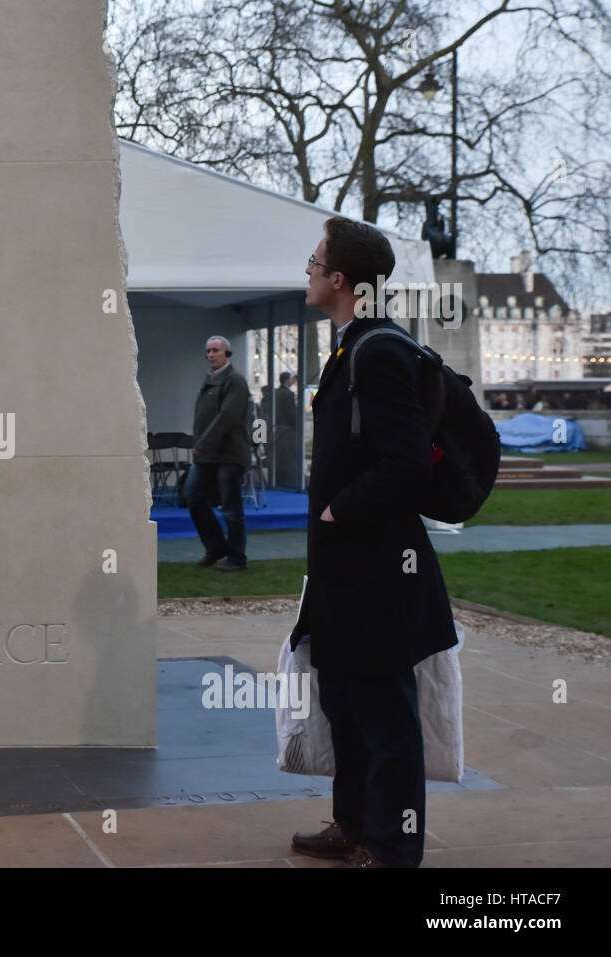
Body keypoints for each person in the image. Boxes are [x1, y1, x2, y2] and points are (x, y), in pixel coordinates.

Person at [289, 216, 458, 868]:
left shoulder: (377, 350)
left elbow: (408, 464)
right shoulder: (349, 345)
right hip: (345, 577)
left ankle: (392, 847)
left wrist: (338, 511)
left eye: (314, 259)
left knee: (387, 720)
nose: (305, 269)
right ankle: (355, 825)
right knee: (347, 707)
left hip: (380, 576)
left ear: (339, 279)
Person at [184, 335, 251, 571]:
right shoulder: (210, 379)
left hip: (229, 456)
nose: (210, 355)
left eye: (215, 350)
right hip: (206, 455)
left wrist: (201, 443)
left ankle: (236, 558)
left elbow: (227, 418)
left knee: (231, 508)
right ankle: (215, 548)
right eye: (208, 351)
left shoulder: (235, 381)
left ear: (227, 354)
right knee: (192, 497)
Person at [274, 371, 298, 486]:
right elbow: (291, 414)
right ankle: (287, 481)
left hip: (276, 429)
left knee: (279, 458)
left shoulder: (275, 392)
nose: (293, 380)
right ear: (286, 380)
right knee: (288, 458)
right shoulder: (289, 394)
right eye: (291, 378)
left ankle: (278, 480)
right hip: (287, 431)